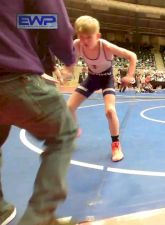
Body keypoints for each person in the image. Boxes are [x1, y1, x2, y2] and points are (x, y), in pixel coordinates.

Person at [0, 0, 77, 224]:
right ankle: (40, 218)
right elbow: (52, 20)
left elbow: (24, 21)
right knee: (63, 130)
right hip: (11, 74)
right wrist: (68, 57)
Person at [66, 15, 137, 162]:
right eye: (81, 36)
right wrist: (68, 71)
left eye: (89, 37)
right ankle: (74, 130)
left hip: (106, 79)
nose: (84, 41)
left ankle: (116, 145)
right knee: (68, 107)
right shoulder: (77, 44)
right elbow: (72, 61)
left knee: (110, 111)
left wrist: (130, 76)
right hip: (92, 79)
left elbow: (132, 56)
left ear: (97, 36)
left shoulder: (106, 47)